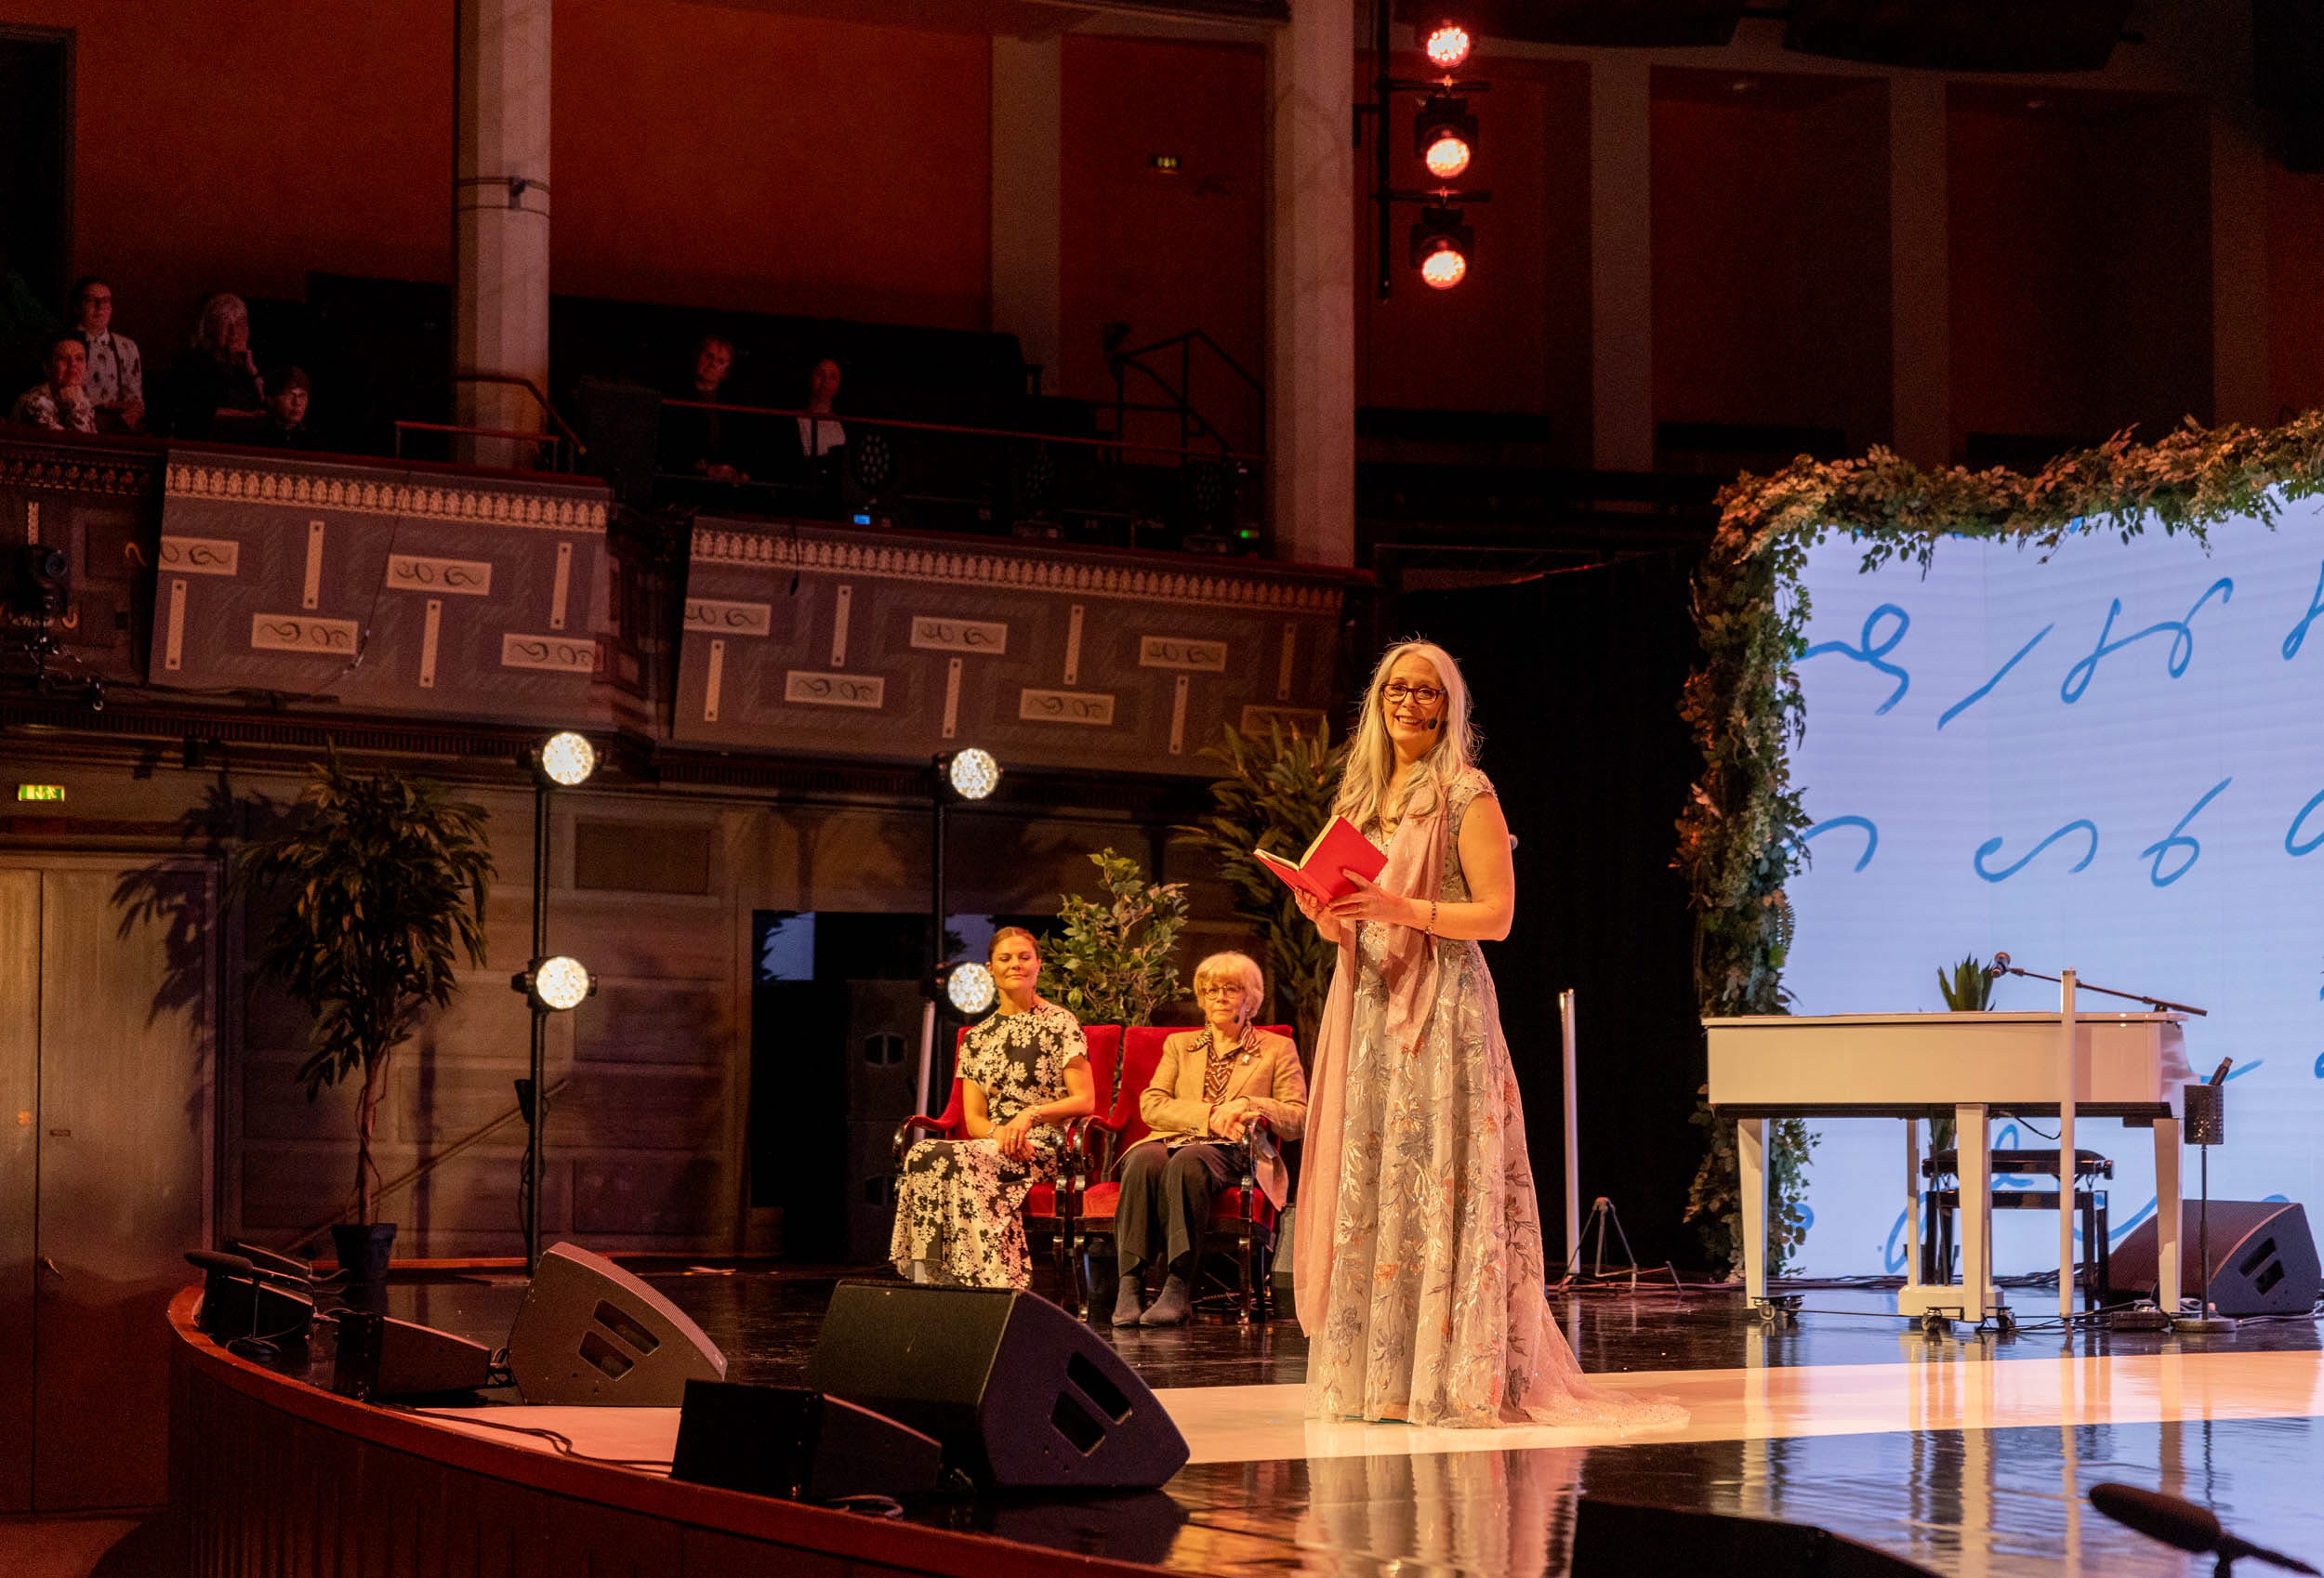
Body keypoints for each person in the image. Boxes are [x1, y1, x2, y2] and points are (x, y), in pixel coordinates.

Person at [1291, 639, 1686, 1430]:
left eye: (1427, 692)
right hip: (1371, 1002)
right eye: (1397, 689)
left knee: (1440, 1179)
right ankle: (1384, 1378)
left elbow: (1497, 917)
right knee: (1377, 1184)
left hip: (1441, 1006)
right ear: (1378, 701)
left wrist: (1407, 912)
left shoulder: (1466, 792)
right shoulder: (1362, 796)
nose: (1410, 703)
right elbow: (1332, 890)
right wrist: (1320, 908)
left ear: (1448, 705)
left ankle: (1453, 1376)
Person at [891, 927, 1095, 1288]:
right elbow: (974, 1120)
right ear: (990, 969)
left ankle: (996, 1280)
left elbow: (1085, 1100)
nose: (1015, 964)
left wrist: (1029, 1116)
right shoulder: (977, 1038)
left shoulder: (1060, 1023)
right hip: (996, 1145)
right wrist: (1001, 1135)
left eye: (1024, 957)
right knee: (922, 1152)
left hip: (1043, 1146)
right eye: (1005, 958)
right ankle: (929, 1279)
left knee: (959, 1158)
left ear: (1038, 966)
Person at [1112, 951, 1307, 1327]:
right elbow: (1152, 1104)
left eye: (1230, 989)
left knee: (1189, 1162)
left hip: (1238, 1151)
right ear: (1201, 997)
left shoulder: (1275, 1049)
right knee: (1142, 1160)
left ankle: (1178, 1285)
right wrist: (1210, 1116)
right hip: (1176, 1137)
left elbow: (1297, 1117)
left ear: (1250, 999)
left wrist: (1249, 1103)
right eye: (1210, 990)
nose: (1218, 997)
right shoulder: (1180, 1046)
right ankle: (1130, 1282)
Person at [169, 292, 264, 440]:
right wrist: (250, 416)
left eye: (239, 324)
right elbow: (200, 412)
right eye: (227, 325)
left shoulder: (243, 367)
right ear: (210, 327)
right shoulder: (194, 362)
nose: (234, 333)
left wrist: (252, 371)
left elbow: (267, 407)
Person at [660, 334, 748, 486]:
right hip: (684, 481)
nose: (713, 364)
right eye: (709, 356)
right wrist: (705, 468)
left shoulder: (735, 404)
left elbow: (743, 445)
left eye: (720, 361)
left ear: (726, 371)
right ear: (698, 357)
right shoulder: (675, 395)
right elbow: (669, 446)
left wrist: (741, 473)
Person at [69, 276, 143, 433]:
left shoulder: (127, 347)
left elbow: (135, 398)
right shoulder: (66, 345)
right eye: (91, 300)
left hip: (117, 429)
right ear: (77, 307)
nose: (99, 307)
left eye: (105, 301)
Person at [9, 332, 94, 433]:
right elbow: (73, 444)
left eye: (79, 358)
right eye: (62, 358)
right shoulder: (34, 402)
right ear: (47, 368)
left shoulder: (80, 398)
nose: (73, 364)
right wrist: (77, 406)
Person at [795, 356, 845, 465]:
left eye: (832, 377)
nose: (825, 381)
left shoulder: (843, 424)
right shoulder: (796, 420)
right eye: (820, 375)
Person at [256, 366, 316, 449]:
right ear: (271, 400)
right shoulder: (256, 440)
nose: (297, 402)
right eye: (289, 395)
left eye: (302, 396)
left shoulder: (315, 443)